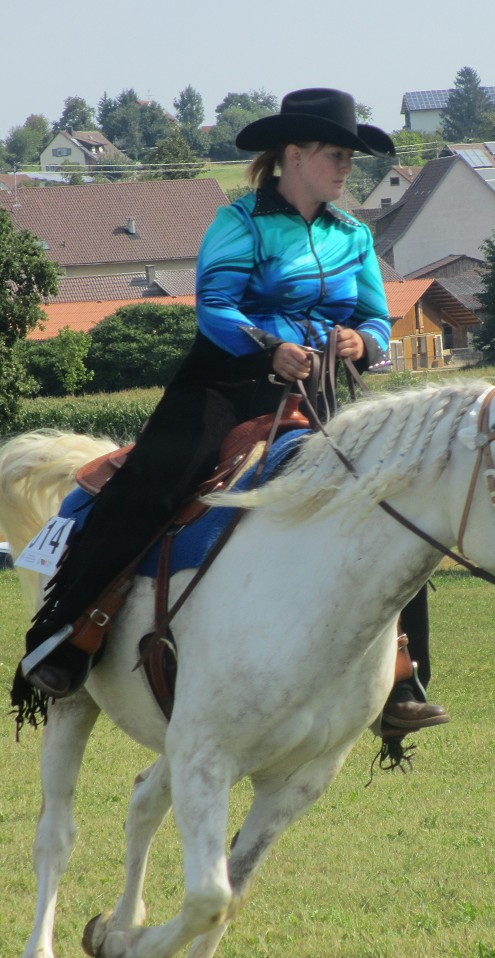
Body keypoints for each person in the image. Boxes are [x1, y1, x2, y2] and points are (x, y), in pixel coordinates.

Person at [14, 88, 448, 741]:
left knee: (390, 506)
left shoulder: (355, 234)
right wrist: (271, 347)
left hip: (325, 393)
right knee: (153, 484)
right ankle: (68, 635)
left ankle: (401, 678)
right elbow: (215, 308)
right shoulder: (240, 223)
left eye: (350, 158)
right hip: (226, 382)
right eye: (336, 155)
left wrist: (365, 342)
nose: (345, 169)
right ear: (295, 155)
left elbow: (374, 317)